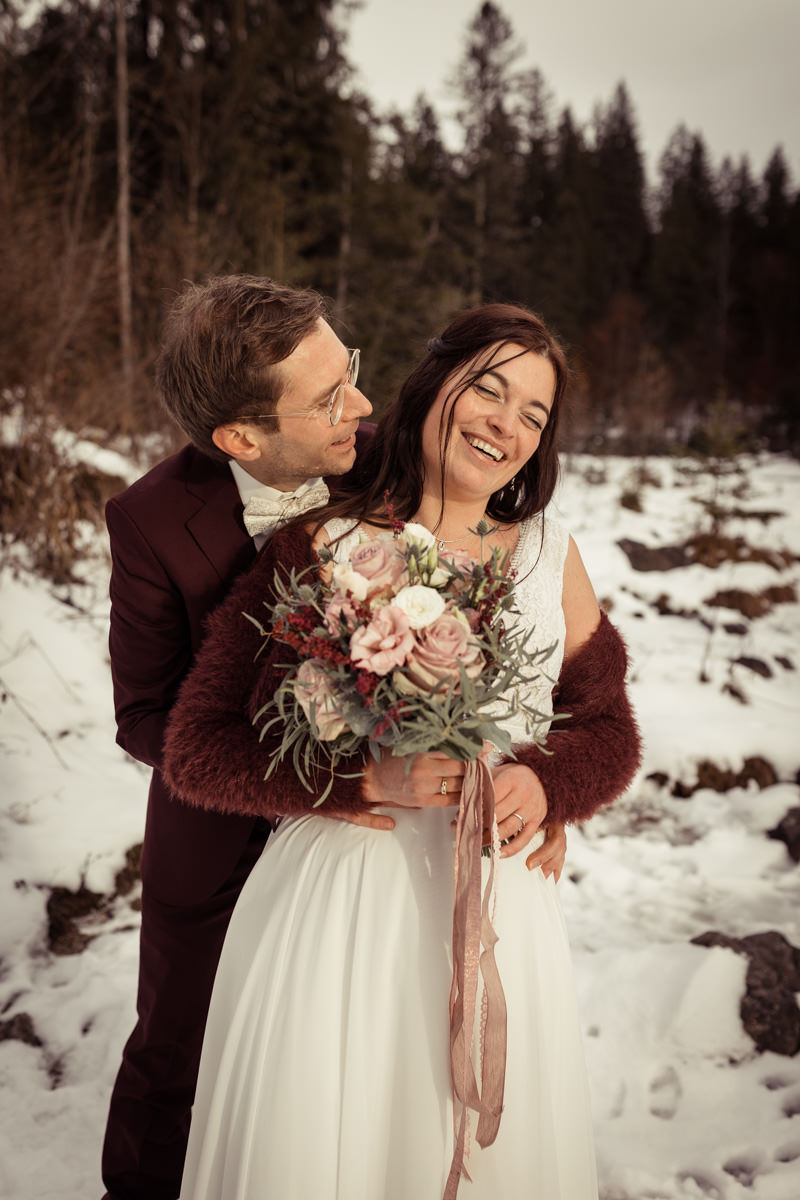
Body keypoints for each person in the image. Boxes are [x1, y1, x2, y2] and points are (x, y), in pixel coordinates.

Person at [102, 277, 568, 1200]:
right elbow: (145, 715)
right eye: (327, 396)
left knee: (358, 1058)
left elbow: (522, 625)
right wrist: (329, 767)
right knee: (176, 1045)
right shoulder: (150, 521)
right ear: (241, 437)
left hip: (399, 849)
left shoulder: (383, 461)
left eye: (348, 368)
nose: (361, 402)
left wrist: (536, 776)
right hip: (224, 823)